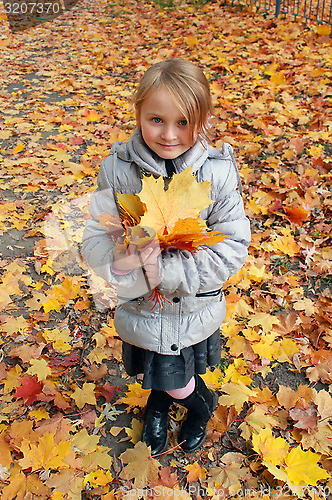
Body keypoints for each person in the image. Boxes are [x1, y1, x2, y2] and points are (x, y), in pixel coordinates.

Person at [82, 58, 251, 455]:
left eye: (183, 123)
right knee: (157, 370)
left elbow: (230, 248)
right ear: (138, 112)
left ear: (203, 120)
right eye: (156, 119)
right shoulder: (118, 171)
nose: (170, 135)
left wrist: (162, 269)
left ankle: (198, 407)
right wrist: (119, 262)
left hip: (191, 307)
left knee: (180, 376)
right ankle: (159, 404)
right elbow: (96, 237)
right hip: (144, 311)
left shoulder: (217, 174)